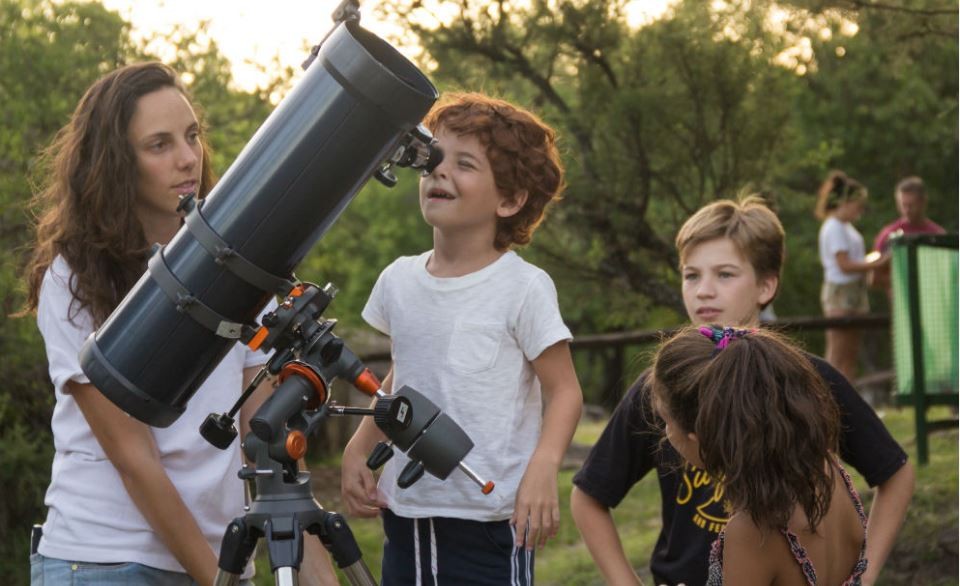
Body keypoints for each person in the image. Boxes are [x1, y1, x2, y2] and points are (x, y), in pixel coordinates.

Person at [20, 62, 335, 586]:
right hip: (105, 562)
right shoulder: (76, 276)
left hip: (217, 561)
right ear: (116, 163)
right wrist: (220, 580)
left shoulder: (235, 264)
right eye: (159, 145)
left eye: (191, 136)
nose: (189, 158)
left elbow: (267, 442)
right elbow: (133, 459)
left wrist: (317, 576)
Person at [570, 196, 914, 586]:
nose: (704, 291)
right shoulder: (664, 385)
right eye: (691, 275)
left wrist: (864, 575)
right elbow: (588, 497)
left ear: (766, 285)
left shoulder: (810, 379)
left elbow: (896, 474)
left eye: (725, 274)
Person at [340, 92, 583, 585]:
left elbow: (565, 391)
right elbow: (402, 377)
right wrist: (358, 446)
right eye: (433, 157)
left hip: (490, 520)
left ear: (510, 200)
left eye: (464, 163)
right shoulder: (398, 280)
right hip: (406, 511)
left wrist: (545, 467)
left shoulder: (524, 288)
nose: (438, 170)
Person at [652, 325, 867, 585]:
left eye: (666, 420)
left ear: (699, 436)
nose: (665, 434)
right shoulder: (827, 468)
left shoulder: (753, 530)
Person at [815, 170, 888, 383]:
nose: (860, 209)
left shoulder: (847, 228)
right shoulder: (833, 227)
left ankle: (848, 404)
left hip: (855, 291)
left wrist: (873, 259)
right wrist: (878, 263)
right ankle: (828, 403)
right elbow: (844, 265)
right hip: (840, 291)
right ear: (846, 202)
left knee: (850, 354)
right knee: (837, 354)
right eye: (858, 204)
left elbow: (854, 259)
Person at [869, 176, 946, 293]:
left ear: (923, 202)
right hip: (900, 305)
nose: (907, 210)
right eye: (903, 205)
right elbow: (874, 278)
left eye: (911, 205)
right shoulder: (888, 235)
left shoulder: (938, 235)